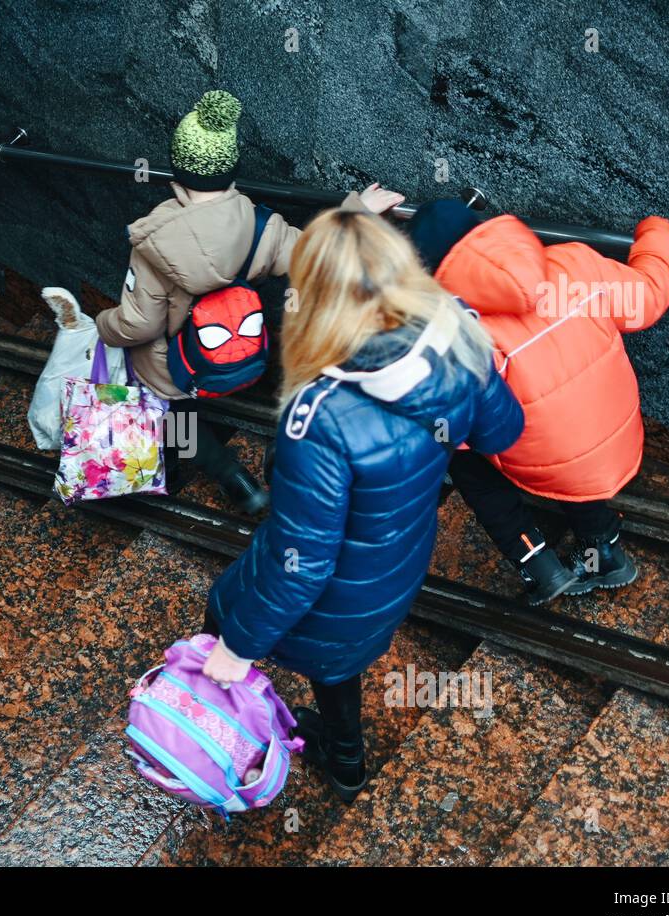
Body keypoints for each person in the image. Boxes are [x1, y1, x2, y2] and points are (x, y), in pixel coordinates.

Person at [200, 208, 524, 803]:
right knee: (336, 666)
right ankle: (345, 762)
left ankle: (293, 746)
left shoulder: (319, 419)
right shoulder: (457, 336)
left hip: (340, 587)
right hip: (399, 560)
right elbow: (504, 433)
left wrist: (236, 649)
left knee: (224, 614)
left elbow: (302, 562)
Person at [44, 90, 403, 514]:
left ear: (176, 178)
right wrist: (358, 210)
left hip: (174, 366)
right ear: (231, 173)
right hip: (240, 351)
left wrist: (102, 324)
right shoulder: (260, 225)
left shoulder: (154, 242)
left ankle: (234, 479)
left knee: (174, 415)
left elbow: (139, 324)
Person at [406, 199, 669, 603]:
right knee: (563, 429)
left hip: (552, 464)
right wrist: (661, 232)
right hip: (617, 434)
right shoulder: (572, 262)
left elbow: (462, 425)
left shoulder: (457, 330)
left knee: (461, 457)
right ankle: (601, 546)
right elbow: (649, 294)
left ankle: (536, 563)